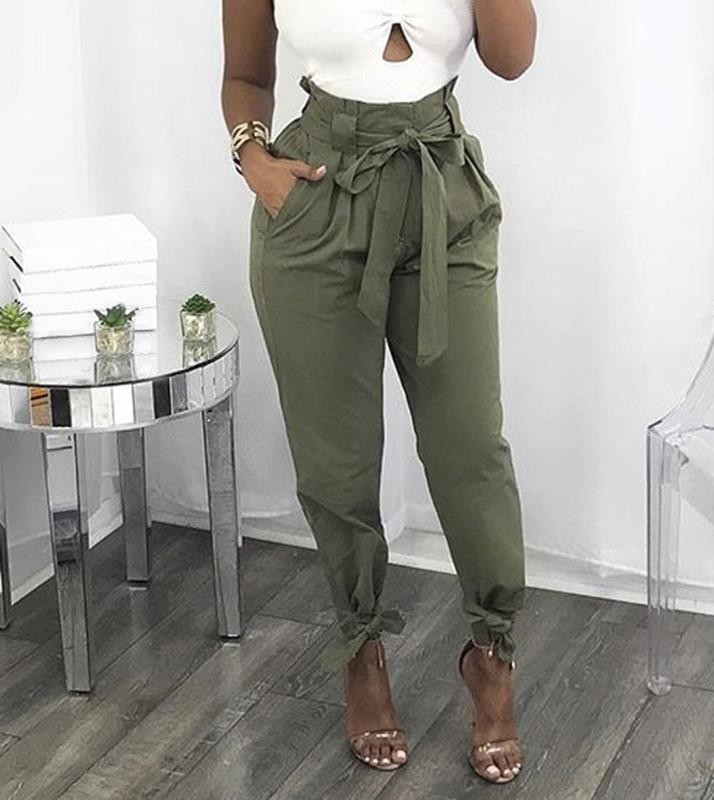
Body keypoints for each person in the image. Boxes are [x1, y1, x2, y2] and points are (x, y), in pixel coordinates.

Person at [221, 0, 536, 785]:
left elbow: (512, 58)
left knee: (470, 450)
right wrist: (253, 157)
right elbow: (245, 75)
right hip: (317, 197)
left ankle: (491, 654)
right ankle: (361, 650)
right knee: (337, 460)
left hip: (442, 193)